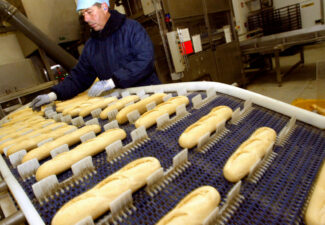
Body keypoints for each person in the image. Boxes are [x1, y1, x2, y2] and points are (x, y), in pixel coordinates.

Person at [31, 0, 160, 110]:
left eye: (89, 12)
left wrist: (113, 81)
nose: (86, 19)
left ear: (104, 7)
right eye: (83, 14)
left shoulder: (131, 29)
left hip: (149, 98)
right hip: (121, 104)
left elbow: (145, 60)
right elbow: (79, 77)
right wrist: (53, 95)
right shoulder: (91, 46)